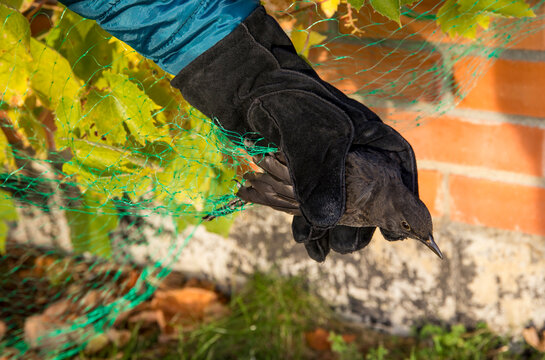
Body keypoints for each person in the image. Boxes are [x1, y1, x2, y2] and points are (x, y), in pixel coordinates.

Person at [60, 0, 419, 259]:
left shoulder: (381, 195)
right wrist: (244, 62)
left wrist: (246, 58)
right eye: (405, 227)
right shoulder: (371, 192)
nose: (405, 233)